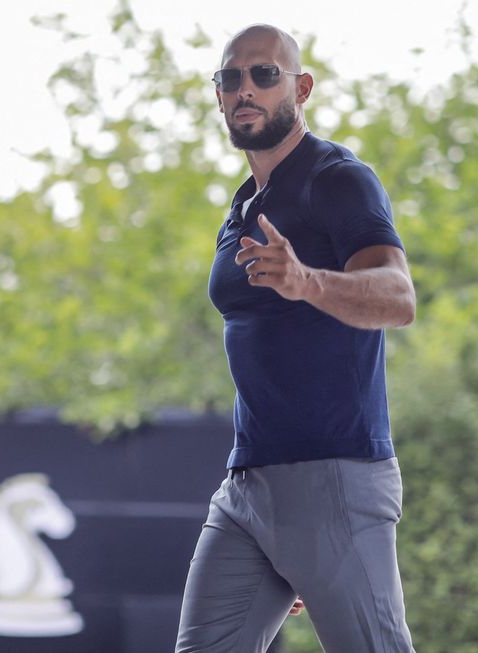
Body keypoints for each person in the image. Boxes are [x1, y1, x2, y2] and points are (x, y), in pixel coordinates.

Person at [175, 24, 417, 653]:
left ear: (301, 88)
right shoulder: (243, 203)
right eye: (230, 78)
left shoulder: (336, 178)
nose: (244, 90)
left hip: (333, 479)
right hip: (248, 487)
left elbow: (398, 297)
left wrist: (307, 280)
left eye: (263, 74)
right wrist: (285, 535)